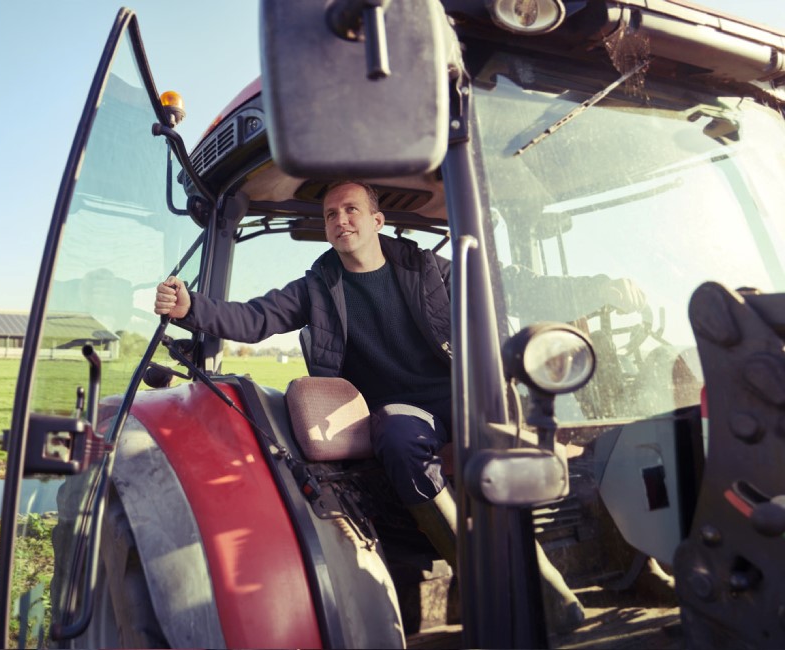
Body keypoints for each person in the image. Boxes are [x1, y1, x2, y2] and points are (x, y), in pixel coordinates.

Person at [153, 179, 588, 631]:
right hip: (400, 409)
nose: (340, 220)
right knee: (399, 439)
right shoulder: (317, 287)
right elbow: (255, 317)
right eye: (330, 215)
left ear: (377, 221)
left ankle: (556, 596)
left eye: (351, 210)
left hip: (457, 396)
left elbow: (503, 285)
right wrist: (191, 308)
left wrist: (593, 289)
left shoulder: (428, 269)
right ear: (326, 231)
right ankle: (485, 579)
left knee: (507, 436)